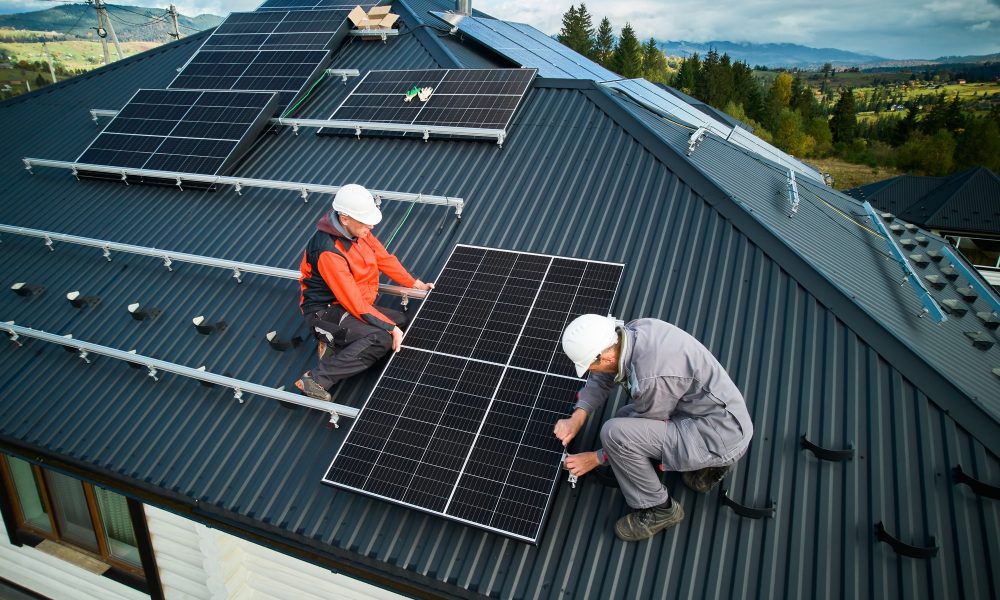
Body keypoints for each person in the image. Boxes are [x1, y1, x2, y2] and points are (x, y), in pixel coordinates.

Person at [554, 314, 753, 542]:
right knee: (623, 419)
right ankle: (708, 468)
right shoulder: (631, 333)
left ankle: (660, 509)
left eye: (590, 365)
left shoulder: (651, 377)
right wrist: (577, 417)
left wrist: (595, 458)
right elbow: (602, 377)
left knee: (615, 433)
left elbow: (638, 431)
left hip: (719, 435)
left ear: (606, 357)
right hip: (716, 415)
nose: (590, 371)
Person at [296, 184, 433, 400]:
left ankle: (335, 340)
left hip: (347, 305)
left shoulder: (359, 231)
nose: (370, 226)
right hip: (325, 312)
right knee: (382, 338)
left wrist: (414, 283)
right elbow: (353, 302)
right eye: (365, 221)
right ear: (345, 219)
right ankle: (315, 379)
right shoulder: (328, 252)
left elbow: (383, 258)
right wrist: (390, 329)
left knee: (400, 319)